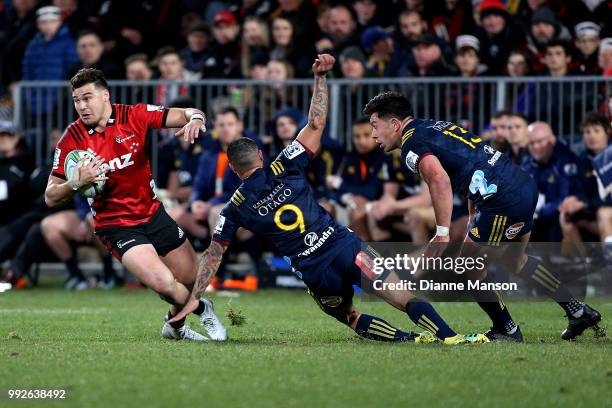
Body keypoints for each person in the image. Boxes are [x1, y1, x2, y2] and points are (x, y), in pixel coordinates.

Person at [169, 54, 488, 346]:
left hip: (314, 271)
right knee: (401, 294)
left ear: (236, 171)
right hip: (343, 246)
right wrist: (321, 78)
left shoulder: (234, 205)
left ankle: (407, 340)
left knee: (349, 315)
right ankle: (448, 337)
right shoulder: (284, 164)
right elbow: (316, 122)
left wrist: (193, 300)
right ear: (262, 156)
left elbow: (213, 255)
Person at [363, 91, 602, 341]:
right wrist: (472, 211)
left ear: (394, 124)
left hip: (500, 200)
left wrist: (442, 233)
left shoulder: (412, 143)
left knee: (468, 267)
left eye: (375, 126)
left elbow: (439, 180)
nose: (373, 135)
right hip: (521, 185)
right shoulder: (434, 126)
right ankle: (577, 311)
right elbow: (471, 163)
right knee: (515, 260)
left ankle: (507, 329)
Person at [44, 68, 226, 342]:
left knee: (191, 278)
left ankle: (174, 326)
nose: (82, 105)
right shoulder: (72, 139)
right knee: (164, 283)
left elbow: (187, 113)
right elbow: (50, 196)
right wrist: (75, 182)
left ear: (105, 96)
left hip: (153, 214)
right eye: (77, 100)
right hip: (116, 226)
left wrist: (196, 119)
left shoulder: (133, 115)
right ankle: (203, 309)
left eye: (87, 98)